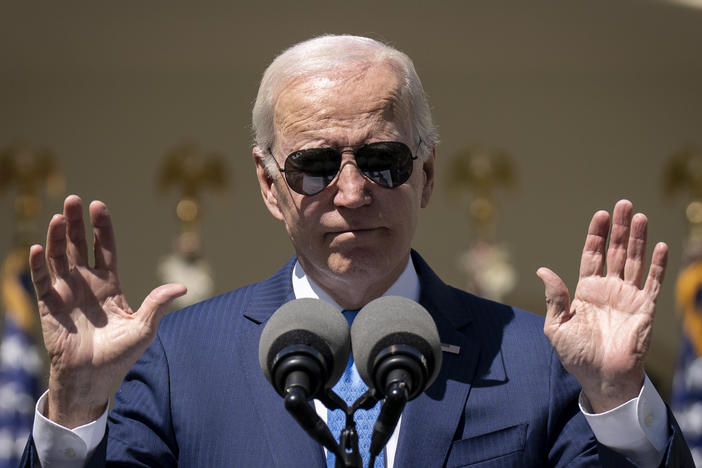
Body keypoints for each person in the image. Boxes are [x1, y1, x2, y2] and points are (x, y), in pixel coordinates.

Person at [20, 35, 692, 467]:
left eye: (382, 161)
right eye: (314, 165)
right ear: (268, 184)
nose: (351, 192)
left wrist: (617, 400)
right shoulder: (176, 359)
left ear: (426, 174)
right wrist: (76, 411)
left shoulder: (531, 356)